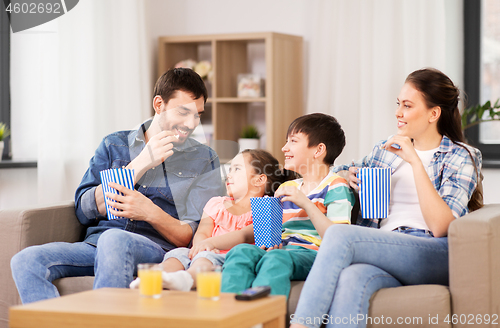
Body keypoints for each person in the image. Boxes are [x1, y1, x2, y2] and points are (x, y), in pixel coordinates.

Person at [10, 68, 224, 304]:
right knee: (26, 260)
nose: (191, 123)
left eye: (197, 115)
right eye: (183, 112)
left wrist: (151, 213)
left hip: (155, 249)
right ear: (159, 104)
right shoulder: (114, 145)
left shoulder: (204, 159)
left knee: (115, 239)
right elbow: (83, 209)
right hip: (96, 244)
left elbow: (195, 235)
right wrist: (139, 165)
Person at [290, 68, 483, 328]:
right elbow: (333, 171)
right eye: (398, 104)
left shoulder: (461, 156)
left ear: (433, 113)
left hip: (432, 251)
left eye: (407, 105)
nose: (398, 112)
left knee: (338, 235)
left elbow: (441, 226)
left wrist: (415, 161)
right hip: (384, 248)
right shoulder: (386, 151)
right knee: (352, 278)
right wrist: (346, 175)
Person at [221, 113, 355, 298]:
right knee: (241, 252)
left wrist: (306, 203)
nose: (284, 148)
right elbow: (267, 232)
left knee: (277, 258)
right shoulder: (287, 187)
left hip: (313, 255)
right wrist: (267, 239)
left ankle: (264, 319)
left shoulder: (336, 186)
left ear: (318, 150)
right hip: (283, 250)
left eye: (293, 141)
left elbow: (339, 238)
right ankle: (226, 315)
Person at [130, 149, 291, 291]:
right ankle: (155, 277)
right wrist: (201, 245)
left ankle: (187, 279)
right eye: (230, 169)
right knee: (178, 253)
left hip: (230, 259)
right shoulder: (216, 203)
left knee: (205, 259)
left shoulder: (267, 207)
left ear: (259, 180)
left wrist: (211, 245)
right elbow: (203, 232)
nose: (229, 174)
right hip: (207, 251)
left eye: (237, 169)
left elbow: (243, 236)